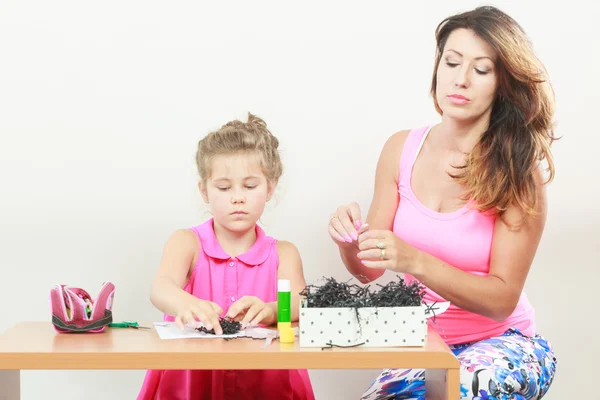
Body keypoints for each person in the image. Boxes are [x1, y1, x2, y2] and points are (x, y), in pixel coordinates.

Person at [328, 6, 557, 400]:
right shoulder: (401, 149)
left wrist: (415, 260)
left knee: (459, 390)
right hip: (425, 345)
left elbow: (502, 300)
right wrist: (350, 243)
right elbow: (370, 271)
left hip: (505, 343)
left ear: (502, 83)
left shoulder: (518, 172)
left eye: (481, 69)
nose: (461, 79)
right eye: (452, 62)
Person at [138, 113, 315, 400]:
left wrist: (272, 310)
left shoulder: (283, 252)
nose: (237, 197)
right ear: (204, 191)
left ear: (270, 188)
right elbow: (160, 287)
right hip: (190, 381)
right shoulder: (187, 242)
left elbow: (301, 301)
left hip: (268, 384)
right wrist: (188, 304)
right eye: (223, 187)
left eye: (250, 186)